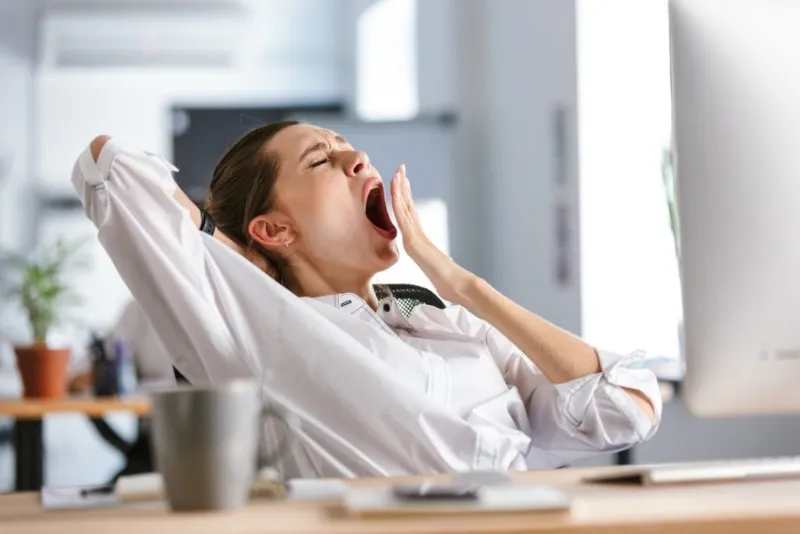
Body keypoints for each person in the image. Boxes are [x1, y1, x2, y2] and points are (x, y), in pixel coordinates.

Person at [71, 122, 662, 478]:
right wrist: (233, 255)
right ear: (275, 230)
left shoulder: (440, 317)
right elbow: (108, 166)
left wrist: (465, 286)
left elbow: (625, 409)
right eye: (320, 160)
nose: (359, 160)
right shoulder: (259, 327)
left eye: (349, 147)